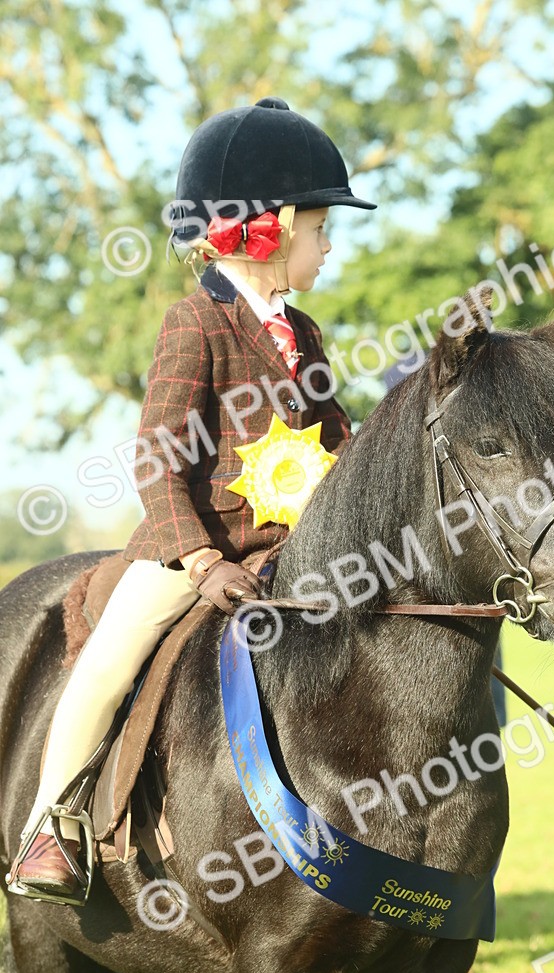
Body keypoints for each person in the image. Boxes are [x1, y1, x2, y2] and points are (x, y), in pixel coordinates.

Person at [7, 97, 375, 903]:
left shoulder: (304, 334)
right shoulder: (194, 324)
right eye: (321, 230)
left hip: (290, 554)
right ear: (268, 231)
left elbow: (338, 443)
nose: (330, 246)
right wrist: (202, 557)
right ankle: (50, 830)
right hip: (194, 547)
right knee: (106, 664)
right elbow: (158, 455)